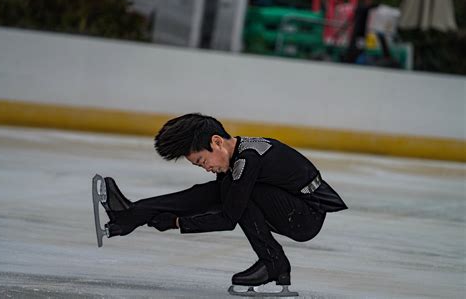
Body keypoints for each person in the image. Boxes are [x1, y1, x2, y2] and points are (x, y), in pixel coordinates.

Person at [97, 113, 347, 294]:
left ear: (217, 142)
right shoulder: (237, 158)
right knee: (213, 192)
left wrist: (176, 223)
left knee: (239, 197)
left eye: (202, 160)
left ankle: (274, 264)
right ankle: (131, 213)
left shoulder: (248, 160)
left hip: (306, 217)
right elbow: (204, 200)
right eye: (198, 165)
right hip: (291, 208)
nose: (205, 167)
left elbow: (229, 218)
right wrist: (152, 215)